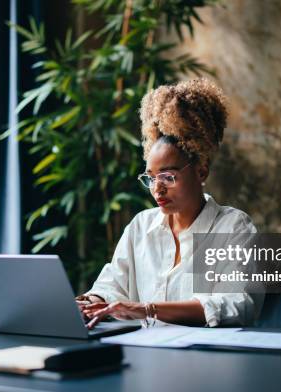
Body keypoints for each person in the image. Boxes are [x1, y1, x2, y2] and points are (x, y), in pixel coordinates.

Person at [76, 78, 263, 328]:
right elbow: (112, 285)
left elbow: (236, 303)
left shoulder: (233, 228)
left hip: (207, 360)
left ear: (201, 172)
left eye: (168, 177)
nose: (157, 188)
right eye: (151, 178)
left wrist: (147, 309)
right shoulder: (141, 226)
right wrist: (90, 302)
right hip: (146, 354)